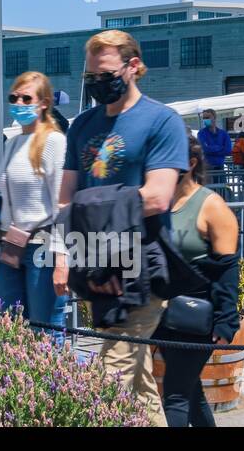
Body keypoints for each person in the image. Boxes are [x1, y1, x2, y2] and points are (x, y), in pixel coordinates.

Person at [60, 30, 187, 427]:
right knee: (137, 381)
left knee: (108, 378)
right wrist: (64, 256)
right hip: (91, 260)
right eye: (91, 78)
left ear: (133, 67)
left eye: (106, 74)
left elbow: (157, 197)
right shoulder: (81, 124)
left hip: (141, 264)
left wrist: (89, 208)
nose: (98, 84)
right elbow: (65, 198)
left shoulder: (162, 120)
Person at [154, 134, 240, 428]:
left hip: (197, 317)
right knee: (190, 391)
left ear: (190, 164)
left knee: (176, 395)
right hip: (164, 315)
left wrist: (226, 321)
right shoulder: (160, 202)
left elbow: (227, 271)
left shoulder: (212, 206)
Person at [0, 72, 67, 344]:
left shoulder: (54, 141)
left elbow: (62, 203)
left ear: (44, 102)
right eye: (14, 97)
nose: (19, 103)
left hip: (42, 246)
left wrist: (62, 261)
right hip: (10, 243)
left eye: (26, 98)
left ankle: (56, 386)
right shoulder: (13, 142)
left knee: (45, 331)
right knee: (9, 331)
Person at [196, 109, 231, 173]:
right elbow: (204, 149)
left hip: (220, 168)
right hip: (207, 169)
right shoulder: (201, 133)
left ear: (214, 118)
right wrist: (219, 148)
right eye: (204, 118)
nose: (205, 120)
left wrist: (211, 148)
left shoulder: (224, 134)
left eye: (207, 117)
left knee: (221, 183)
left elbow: (228, 151)